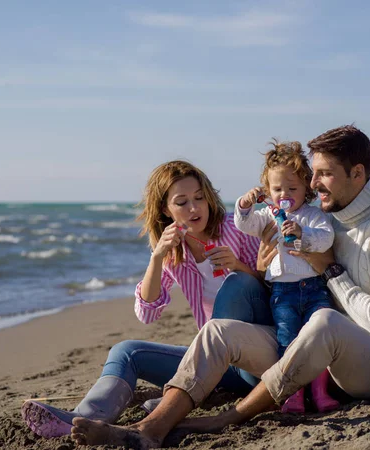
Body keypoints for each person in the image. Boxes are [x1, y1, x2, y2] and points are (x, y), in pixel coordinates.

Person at [70, 125, 370, 450]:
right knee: (216, 332)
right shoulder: (324, 220)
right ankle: (150, 428)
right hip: (311, 355)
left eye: (324, 174)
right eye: (313, 173)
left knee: (325, 320)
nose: (313, 184)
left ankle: (230, 415)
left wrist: (329, 269)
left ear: (358, 173)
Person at [21, 160, 273, 439]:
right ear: (166, 210)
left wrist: (239, 266)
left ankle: (165, 408)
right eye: (183, 202)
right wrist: (157, 257)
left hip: (256, 360)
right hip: (218, 368)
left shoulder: (237, 228)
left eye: (200, 198)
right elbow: (147, 313)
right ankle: (84, 418)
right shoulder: (174, 252)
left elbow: (274, 288)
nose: (194, 208)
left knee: (238, 283)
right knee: (127, 351)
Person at [234, 140, 338, 413]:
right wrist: (244, 206)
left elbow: (326, 239)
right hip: (283, 293)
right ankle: (292, 393)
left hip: (314, 288)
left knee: (316, 339)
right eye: (278, 189)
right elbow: (245, 225)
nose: (285, 194)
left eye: (292, 188)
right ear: (268, 191)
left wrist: (303, 234)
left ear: (306, 188)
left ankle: (320, 392)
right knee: (288, 340)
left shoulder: (312, 215)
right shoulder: (268, 215)